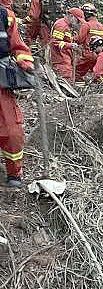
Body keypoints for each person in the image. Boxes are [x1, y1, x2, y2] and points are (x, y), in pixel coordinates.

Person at [1, 0, 35, 187]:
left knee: (12, 130)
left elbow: (18, 46)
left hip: (1, 83)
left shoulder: (6, 15)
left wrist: (26, 63)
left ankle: (14, 173)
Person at [74, 3, 103, 80]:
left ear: (86, 14)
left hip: (88, 55)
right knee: (96, 76)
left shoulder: (87, 25)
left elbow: (79, 40)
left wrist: (72, 37)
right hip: (100, 57)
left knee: (76, 73)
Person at [50, 7, 83, 80]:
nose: (78, 23)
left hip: (66, 60)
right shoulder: (61, 25)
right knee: (65, 80)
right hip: (60, 60)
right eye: (77, 21)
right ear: (71, 16)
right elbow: (55, 42)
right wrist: (70, 45)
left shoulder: (68, 27)